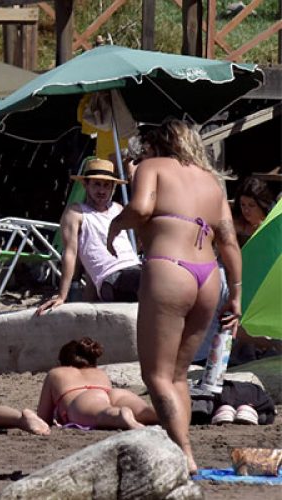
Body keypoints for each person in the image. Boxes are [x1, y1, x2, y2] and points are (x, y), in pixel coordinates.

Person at [106, 119, 242, 473]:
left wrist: (115, 225)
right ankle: (181, 451)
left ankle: (184, 454)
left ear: (157, 145)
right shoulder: (210, 181)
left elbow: (141, 209)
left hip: (170, 268)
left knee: (157, 375)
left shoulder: (151, 167)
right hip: (210, 276)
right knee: (179, 375)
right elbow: (229, 242)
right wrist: (237, 297)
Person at [35, 158, 142, 316]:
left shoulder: (118, 209)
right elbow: (70, 253)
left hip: (135, 269)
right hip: (112, 277)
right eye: (96, 184)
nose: (101, 190)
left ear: (113, 188)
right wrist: (62, 295)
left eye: (106, 185)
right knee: (149, 281)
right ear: (85, 185)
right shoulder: (76, 213)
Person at [36, 337, 158, 430]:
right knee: (144, 411)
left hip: (83, 400)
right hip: (115, 393)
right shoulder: (100, 373)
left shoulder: (56, 373)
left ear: (62, 361)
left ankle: (121, 415)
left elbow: (43, 417)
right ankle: (159, 415)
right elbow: (106, 398)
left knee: (105, 413)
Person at [233, 176, 276, 247]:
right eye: (242, 205)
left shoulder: (272, 227)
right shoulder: (236, 226)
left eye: (251, 205)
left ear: (262, 205)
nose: (246, 210)